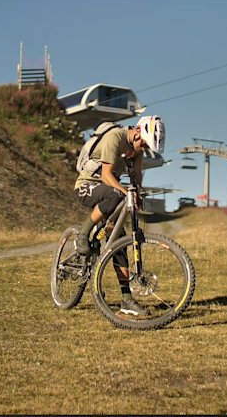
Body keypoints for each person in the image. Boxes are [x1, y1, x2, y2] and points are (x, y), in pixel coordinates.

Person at [73, 115, 166, 317]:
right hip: (87, 186)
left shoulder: (137, 150)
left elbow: (137, 178)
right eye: (144, 144)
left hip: (109, 191)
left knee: (119, 242)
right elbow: (106, 175)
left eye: (147, 147)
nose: (144, 149)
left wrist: (138, 195)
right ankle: (83, 234)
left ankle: (126, 300)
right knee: (116, 194)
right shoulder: (115, 136)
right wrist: (127, 194)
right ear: (138, 132)